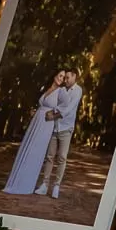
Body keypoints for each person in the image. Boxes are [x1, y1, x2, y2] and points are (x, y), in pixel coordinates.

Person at [2, 72, 67, 198]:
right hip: (36, 121)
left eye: (64, 78)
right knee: (27, 149)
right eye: (60, 75)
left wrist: (53, 115)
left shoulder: (61, 92)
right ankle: (16, 180)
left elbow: (65, 110)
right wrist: (35, 111)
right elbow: (41, 104)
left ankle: (26, 184)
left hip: (46, 124)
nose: (61, 79)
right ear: (55, 75)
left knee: (36, 152)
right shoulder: (46, 88)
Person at [35, 67, 82, 199]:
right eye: (64, 78)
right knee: (50, 156)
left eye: (68, 78)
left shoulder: (78, 90)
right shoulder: (61, 89)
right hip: (54, 127)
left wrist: (53, 114)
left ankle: (56, 186)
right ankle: (44, 185)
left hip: (66, 128)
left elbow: (69, 109)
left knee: (61, 157)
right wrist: (51, 113)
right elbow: (54, 104)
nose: (65, 80)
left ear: (74, 77)